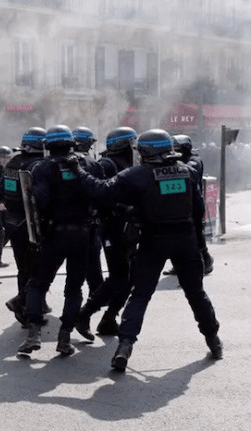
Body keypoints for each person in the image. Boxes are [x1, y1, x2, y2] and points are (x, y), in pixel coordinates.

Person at [65, 128, 222, 371]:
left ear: (145, 152)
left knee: (140, 295)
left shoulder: (137, 175)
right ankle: (214, 341)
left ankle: (124, 347)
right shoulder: (187, 171)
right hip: (186, 240)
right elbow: (198, 211)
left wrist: (77, 170)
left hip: (153, 242)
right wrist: (201, 247)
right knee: (196, 294)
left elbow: (100, 190)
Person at [17, 125, 102, 356]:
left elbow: (38, 202)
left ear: (48, 146)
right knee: (74, 289)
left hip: (54, 235)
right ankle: (64, 338)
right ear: (72, 144)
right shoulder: (90, 165)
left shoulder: (42, 168)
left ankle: (33, 334)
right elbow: (100, 196)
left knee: (37, 284)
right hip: (83, 236)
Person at [75, 127, 139, 339]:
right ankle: (85, 314)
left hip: (127, 228)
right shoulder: (107, 164)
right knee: (119, 276)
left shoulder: (129, 164)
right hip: (111, 228)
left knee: (129, 278)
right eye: (132, 144)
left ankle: (109, 318)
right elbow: (97, 194)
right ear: (124, 145)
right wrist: (119, 207)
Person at [2, 128, 48, 326]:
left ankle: (35, 305)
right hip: (31, 224)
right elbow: (42, 197)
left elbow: (1, 189)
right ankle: (26, 308)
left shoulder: (13, 162)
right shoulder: (38, 166)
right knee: (37, 269)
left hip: (12, 222)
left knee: (23, 267)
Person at [164, 134, 214, 275]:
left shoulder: (194, 161)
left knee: (197, 236)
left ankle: (206, 262)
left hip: (193, 204)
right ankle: (178, 266)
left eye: (178, 149)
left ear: (185, 148)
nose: (175, 152)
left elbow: (189, 171)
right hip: (177, 204)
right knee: (175, 238)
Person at [72, 127, 104, 295]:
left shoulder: (54, 163)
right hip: (88, 224)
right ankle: (96, 296)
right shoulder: (93, 164)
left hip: (58, 225)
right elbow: (101, 192)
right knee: (93, 263)